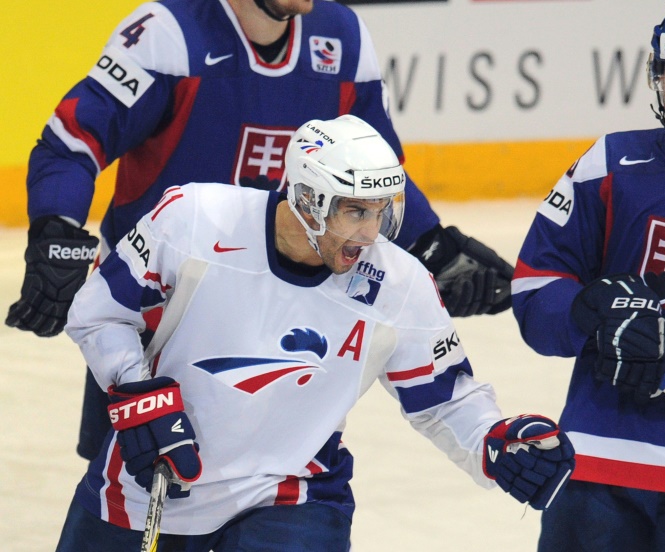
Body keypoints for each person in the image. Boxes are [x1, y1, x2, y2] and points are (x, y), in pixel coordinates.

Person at [6, 0, 514, 461]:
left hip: (279, 306)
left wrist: (433, 245)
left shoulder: (345, 37)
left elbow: (376, 172)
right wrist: (58, 228)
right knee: (128, 487)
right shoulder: (170, 34)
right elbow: (72, 142)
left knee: (268, 482)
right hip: (153, 304)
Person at [55, 114, 574, 551]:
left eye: (381, 212)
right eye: (354, 211)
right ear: (305, 199)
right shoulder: (195, 219)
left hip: (292, 494)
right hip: (154, 480)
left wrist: (494, 442)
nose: (370, 234)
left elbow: (442, 398)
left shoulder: (398, 282)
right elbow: (98, 313)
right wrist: (135, 389)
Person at [510, 1, 665, 550]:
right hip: (598, 463)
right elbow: (534, 287)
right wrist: (590, 311)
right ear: (658, 75)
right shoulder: (609, 162)